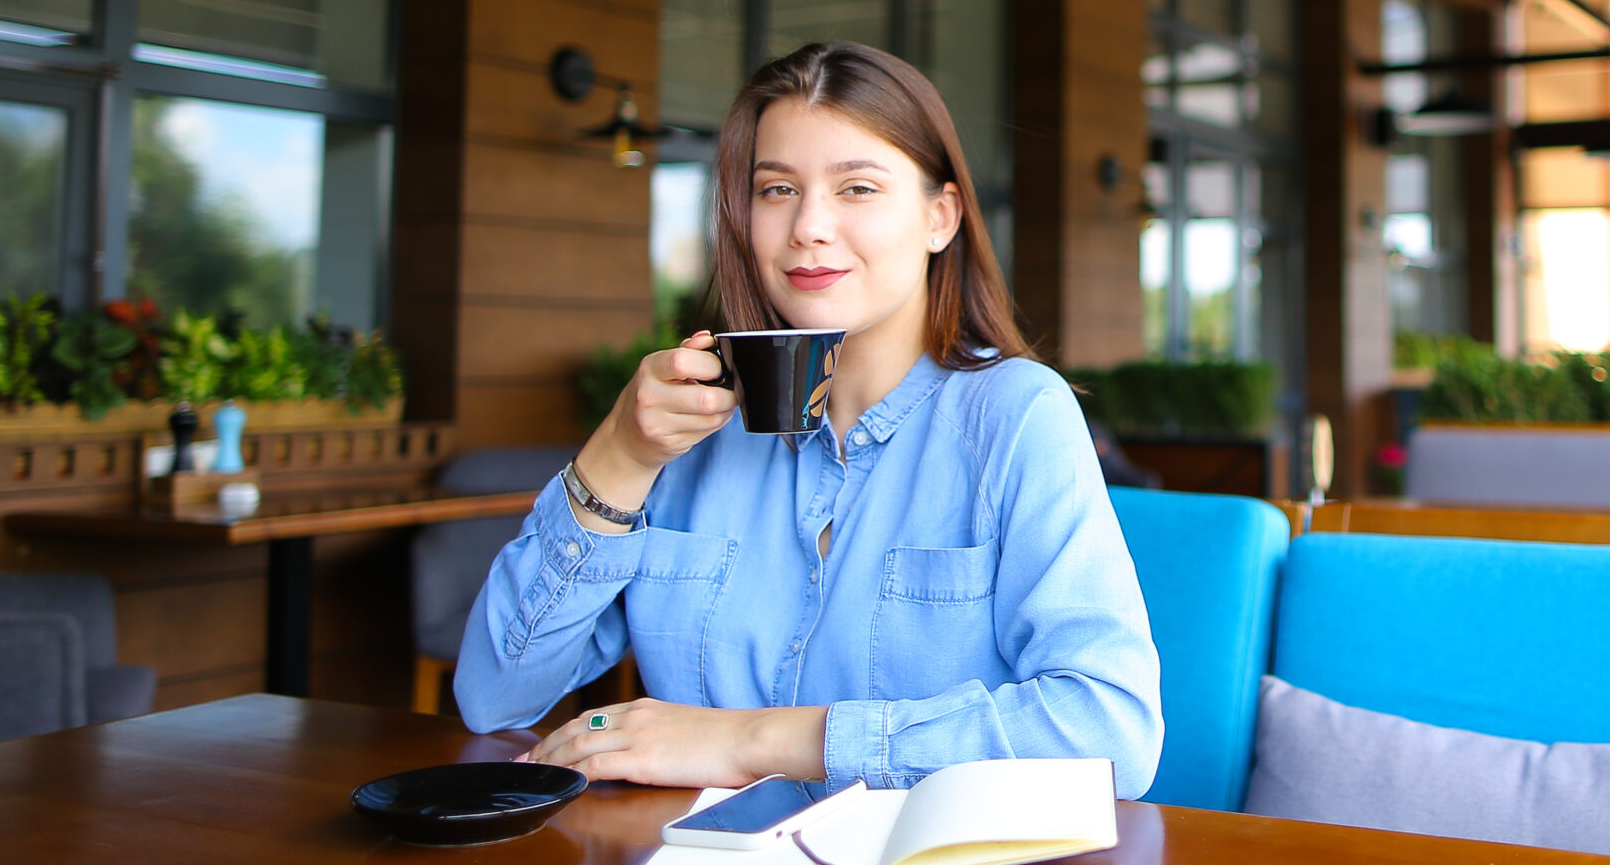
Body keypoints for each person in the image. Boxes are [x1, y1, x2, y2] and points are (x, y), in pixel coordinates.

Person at [455, 42, 1163, 798]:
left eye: (857, 187)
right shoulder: (692, 428)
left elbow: (1109, 732)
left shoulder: (1016, 416)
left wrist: (754, 743)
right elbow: (494, 696)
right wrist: (621, 457)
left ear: (940, 217)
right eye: (777, 189)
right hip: (695, 862)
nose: (808, 226)